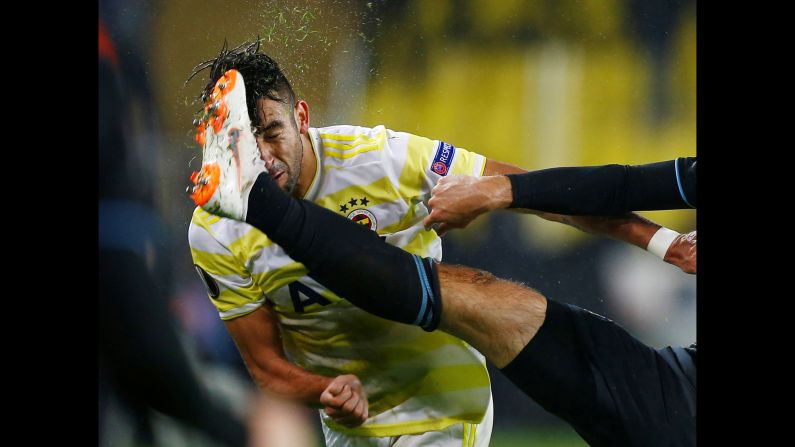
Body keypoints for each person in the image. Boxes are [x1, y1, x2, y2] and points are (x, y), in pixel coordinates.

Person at [186, 40, 681, 447]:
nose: (267, 156)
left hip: (443, 404)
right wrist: (324, 390)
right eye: (250, 144)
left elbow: (538, 194)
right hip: (351, 428)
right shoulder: (213, 231)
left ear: (301, 116)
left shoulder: (381, 158)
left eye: (274, 133)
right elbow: (267, 368)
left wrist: (656, 239)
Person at [99, 21, 248, 447]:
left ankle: (252, 435)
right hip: (126, 234)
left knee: (163, 385)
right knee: (137, 392)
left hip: (119, 236)